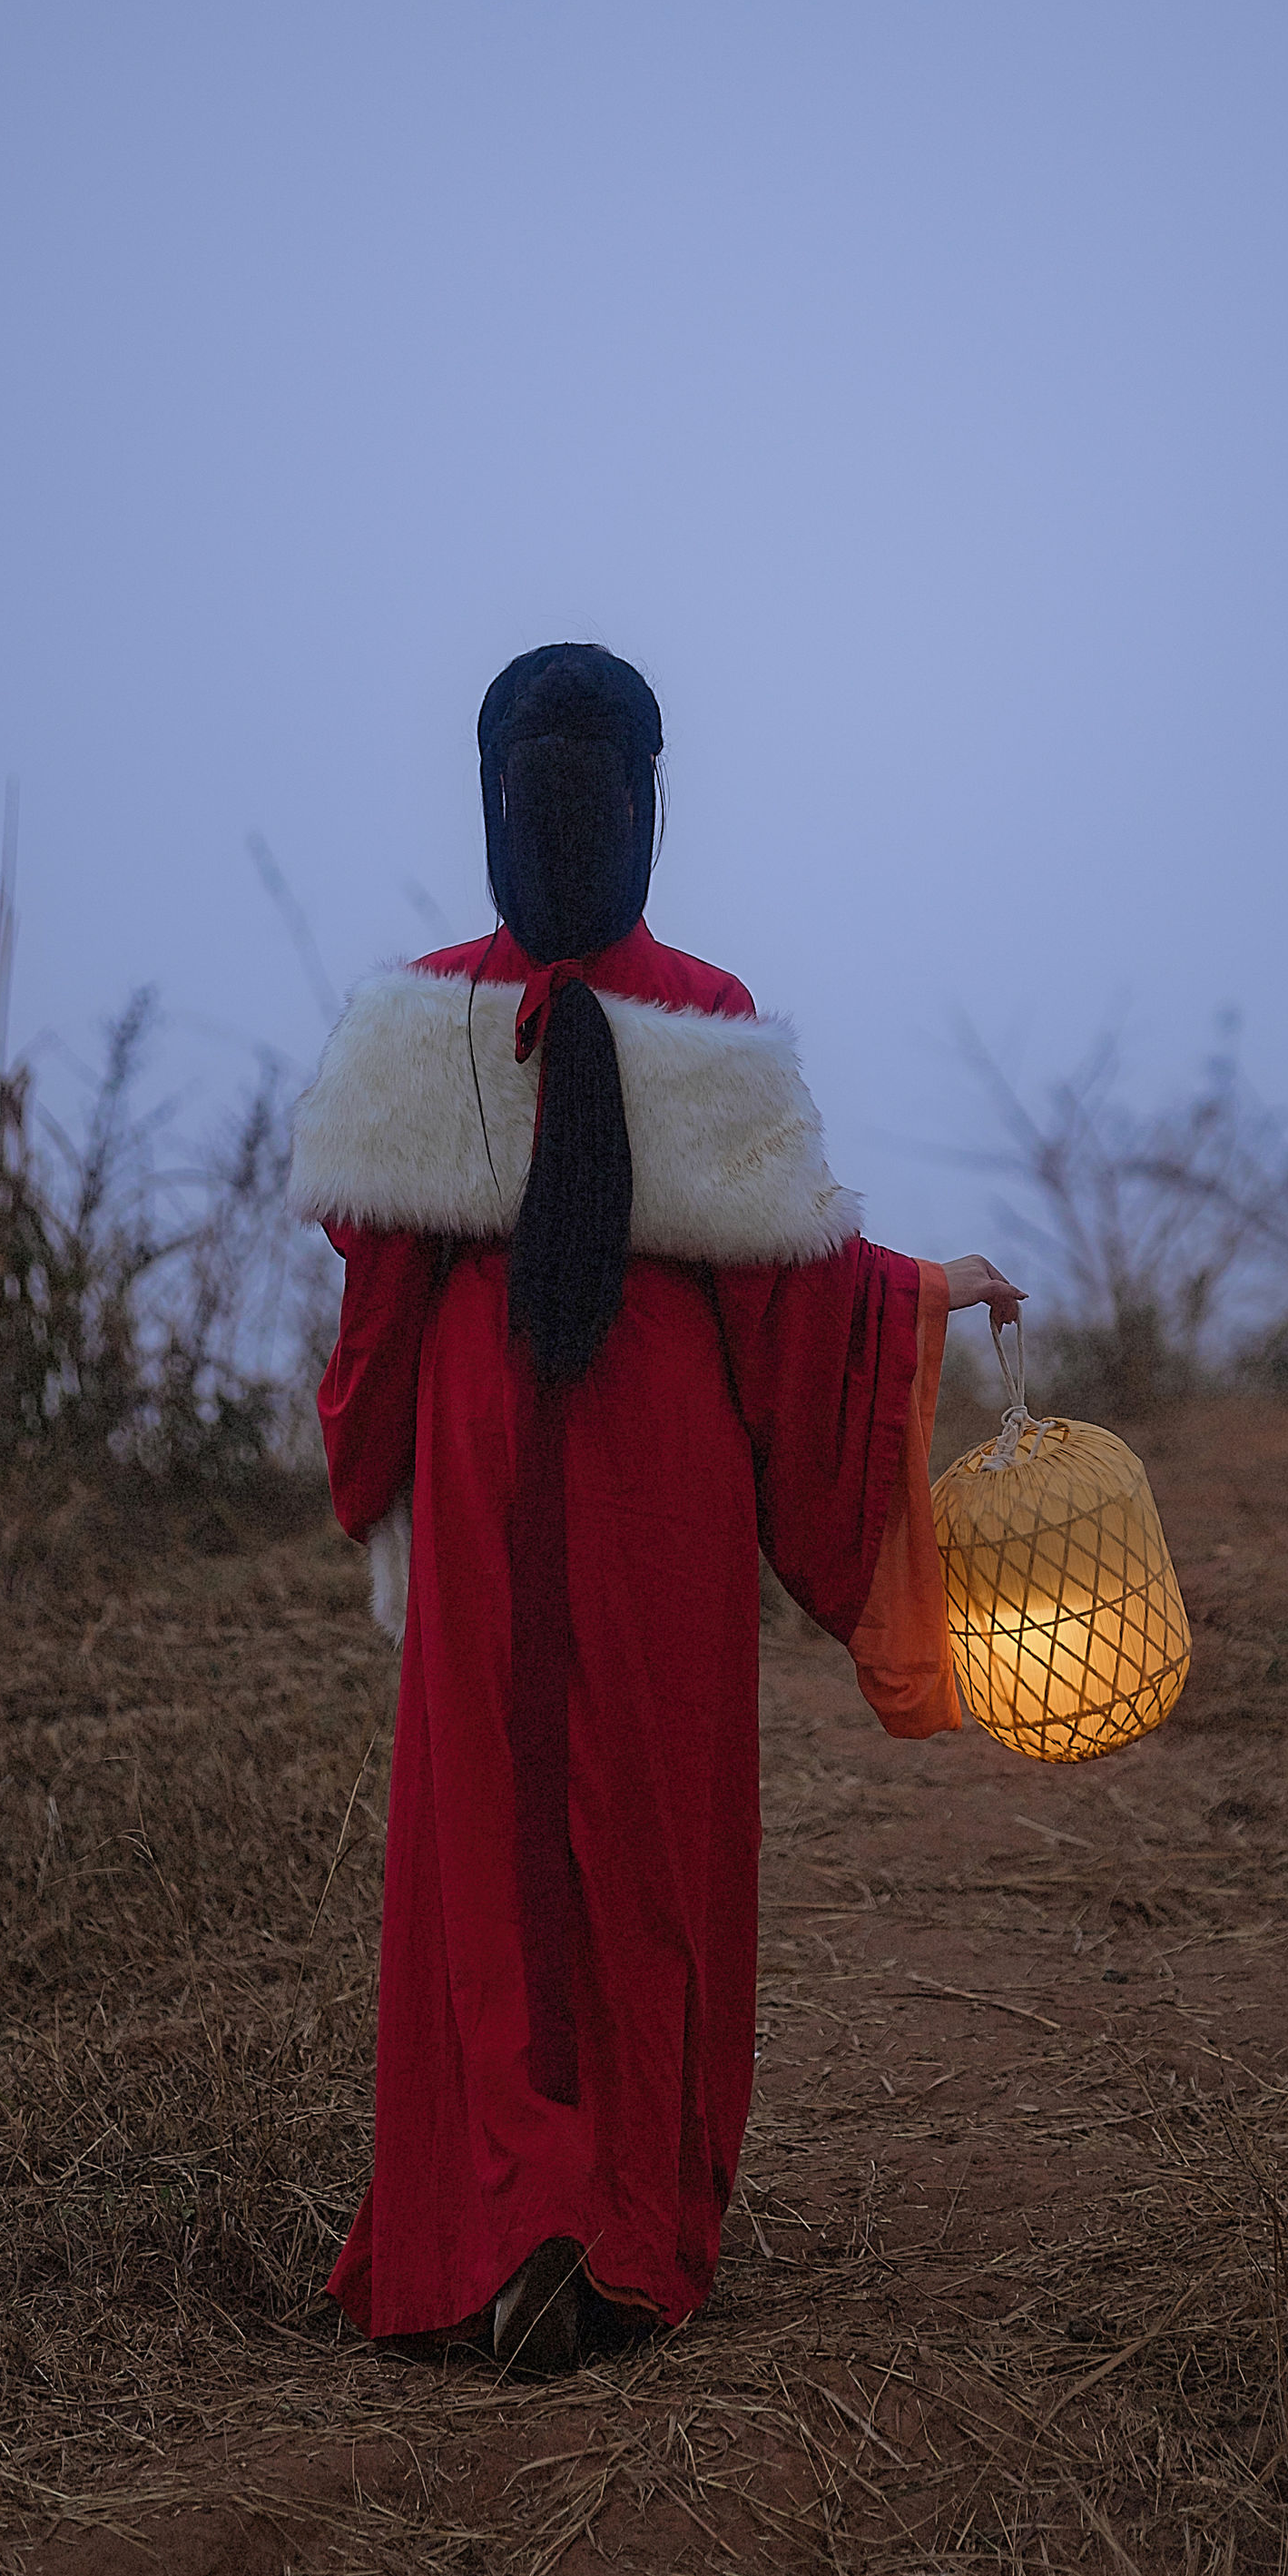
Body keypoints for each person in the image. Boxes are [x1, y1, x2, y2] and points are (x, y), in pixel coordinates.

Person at [290, 644, 1020, 2374]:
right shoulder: (707, 1011)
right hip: (664, 1474)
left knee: (491, 1827)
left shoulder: (414, 1026)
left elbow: (373, 1329)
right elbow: (801, 1307)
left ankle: (492, 2226)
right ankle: (620, 2229)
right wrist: (916, 1298)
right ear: (649, 802)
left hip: (486, 1461)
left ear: (491, 797)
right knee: (649, 1825)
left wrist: (387, 1462)